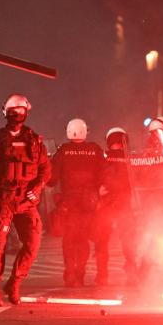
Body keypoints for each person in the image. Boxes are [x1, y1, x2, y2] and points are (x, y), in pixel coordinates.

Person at [0, 94, 51, 306]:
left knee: (33, 243)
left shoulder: (35, 141)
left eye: (21, 110)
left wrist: (38, 186)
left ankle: (14, 283)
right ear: (6, 113)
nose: (18, 114)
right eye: (14, 111)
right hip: (3, 200)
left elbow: (45, 169)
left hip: (26, 202)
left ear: (26, 112)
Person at [49, 118, 105, 286]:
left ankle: (70, 274)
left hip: (69, 204)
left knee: (69, 240)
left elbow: (51, 179)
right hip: (89, 203)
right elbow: (104, 174)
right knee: (83, 239)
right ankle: (80, 274)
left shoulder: (63, 151)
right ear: (85, 131)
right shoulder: (95, 149)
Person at [94, 128, 137, 285]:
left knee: (101, 242)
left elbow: (95, 178)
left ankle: (102, 276)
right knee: (128, 241)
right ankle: (133, 274)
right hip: (125, 204)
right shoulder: (132, 158)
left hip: (106, 205)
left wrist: (100, 191)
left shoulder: (103, 158)